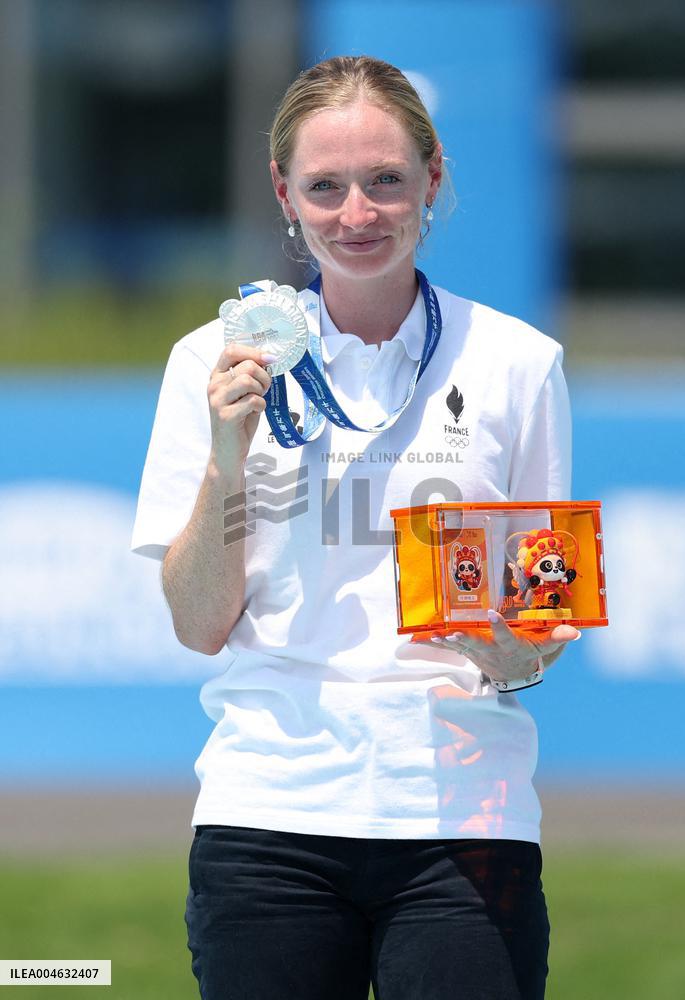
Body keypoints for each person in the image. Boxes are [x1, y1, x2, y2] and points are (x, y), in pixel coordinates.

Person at [131, 54, 579, 1000]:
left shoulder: (518, 364)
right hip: (268, 815)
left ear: (434, 178)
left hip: (465, 820)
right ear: (283, 193)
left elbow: (541, 634)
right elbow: (198, 623)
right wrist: (226, 453)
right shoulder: (212, 361)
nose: (359, 214)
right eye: (326, 187)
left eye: (385, 181)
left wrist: (503, 646)